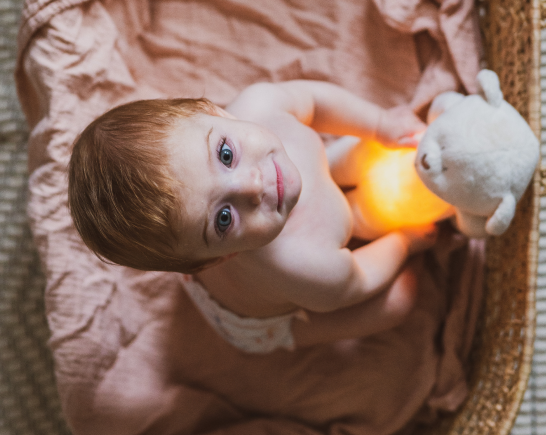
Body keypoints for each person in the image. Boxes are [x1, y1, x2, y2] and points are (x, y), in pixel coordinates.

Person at [68, 80, 438, 353]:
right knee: (401, 300)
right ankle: (289, 330)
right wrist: (404, 241)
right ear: (221, 257)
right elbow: (358, 279)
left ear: (211, 109)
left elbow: (312, 100)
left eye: (225, 155)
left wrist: (378, 124)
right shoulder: (306, 265)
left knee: (366, 156)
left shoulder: (260, 105)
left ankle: (345, 205)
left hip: (201, 250)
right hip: (249, 321)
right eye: (224, 218)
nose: (253, 184)